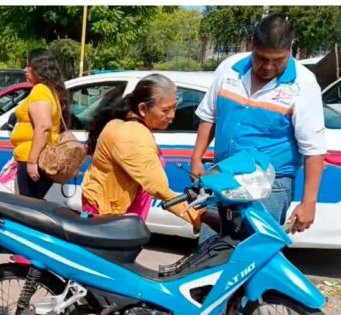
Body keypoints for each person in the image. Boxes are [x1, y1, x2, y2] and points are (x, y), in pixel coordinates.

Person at [191, 15, 327, 315]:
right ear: (251, 47)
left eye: (276, 60)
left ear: (291, 50)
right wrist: (197, 156)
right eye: (261, 58)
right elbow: (209, 115)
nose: (267, 66)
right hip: (224, 179)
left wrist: (309, 202)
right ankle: (201, 314)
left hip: (271, 185)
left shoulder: (303, 85)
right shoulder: (230, 69)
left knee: (255, 252)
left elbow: (314, 149)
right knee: (213, 247)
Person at [81, 74, 201, 226]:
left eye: (174, 107)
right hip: (107, 219)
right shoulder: (131, 133)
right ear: (143, 109)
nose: (172, 116)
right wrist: (200, 218)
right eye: (165, 110)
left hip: (118, 215)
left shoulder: (130, 125)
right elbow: (159, 187)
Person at [10, 49, 68, 199]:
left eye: (28, 65)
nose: (25, 69)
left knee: (27, 208)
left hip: (34, 158)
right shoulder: (51, 90)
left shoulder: (40, 90)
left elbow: (43, 127)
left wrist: (31, 161)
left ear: (39, 68)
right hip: (42, 157)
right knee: (34, 204)